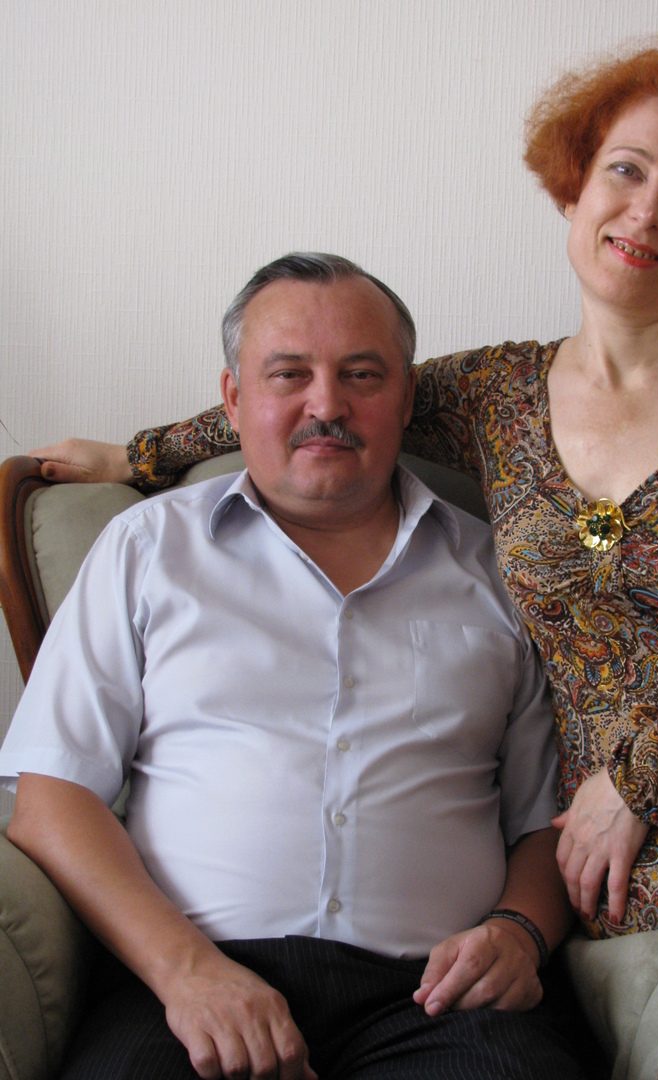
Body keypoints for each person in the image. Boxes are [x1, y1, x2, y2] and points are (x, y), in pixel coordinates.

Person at [30, 39, 658, 955]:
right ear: (574, 186)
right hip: (589, 850)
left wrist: (646, 782)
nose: (647, 210)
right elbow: (314, 395)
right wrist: (137, 453)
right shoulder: (495, 393)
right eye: (626, 170)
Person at [1, 255, 586, 1080]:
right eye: (289, 375)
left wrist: (519, 932)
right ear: (234, 399)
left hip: (438, 999)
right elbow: (52, 799)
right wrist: (187, 974)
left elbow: (545, 824)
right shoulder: (146, 550)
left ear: (407, 398)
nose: (327, 405)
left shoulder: (502, 573)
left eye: (361, 375)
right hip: (187, 981)